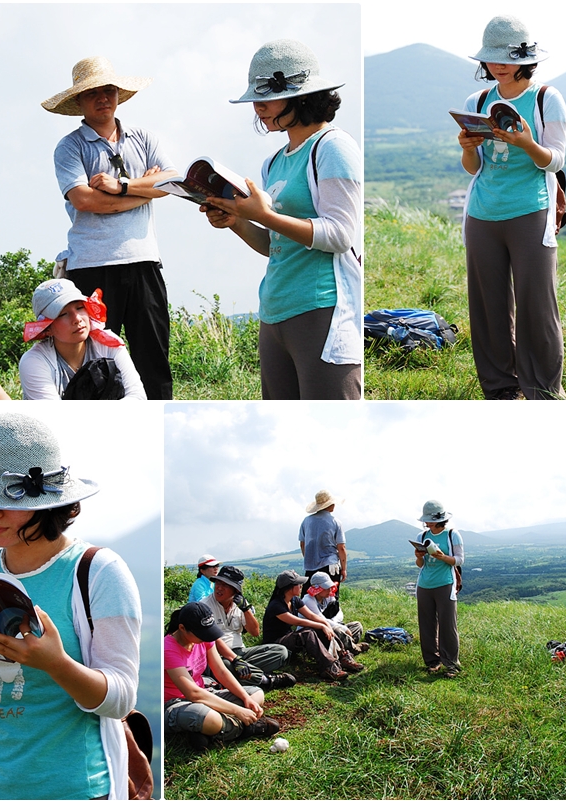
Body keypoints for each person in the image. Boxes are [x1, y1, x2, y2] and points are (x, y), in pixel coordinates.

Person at [0, 412, 142, 799]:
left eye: (6, 501)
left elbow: (120, 697)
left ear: (47, 500)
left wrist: (55, 663)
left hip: (75, 789)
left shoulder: (98, 572)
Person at [201, 39, 362, 400]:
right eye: (254, 101)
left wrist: (263, 214)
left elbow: (340, 235)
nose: (257, 108)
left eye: (265, 98)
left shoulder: (333, 147)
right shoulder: (274, 162)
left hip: (321, 306)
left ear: (302, 96)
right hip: (274, 311)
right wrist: (239, 220)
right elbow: (273, 246)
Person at [42, 56, 178, 400]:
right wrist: (144, 192)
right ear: (79, 102)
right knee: (95, 363)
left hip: (143, 260)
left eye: (109, 90)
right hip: (92, 265)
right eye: (93, 93)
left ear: (118, 94)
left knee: (154, 358)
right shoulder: (70, 147)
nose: (103, 98)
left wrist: (120, 188)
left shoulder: (143, 137)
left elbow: (173, 181)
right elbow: (84, 200)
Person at [459, 16, 566, 400]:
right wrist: (468, 148)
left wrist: (525, 142)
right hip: (483, 215)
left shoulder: (545, 99)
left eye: (507, 56)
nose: (499, 65)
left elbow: (554, 160)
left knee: (537, 306)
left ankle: (542, 391)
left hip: (531, 210)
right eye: (492, 57)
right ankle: (500, 388)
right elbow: (475, 169)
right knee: (488, 306)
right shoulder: (478, 101)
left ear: (525, 58)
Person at [164, 601, 280, 752]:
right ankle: (246, 729)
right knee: (207, 717)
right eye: (202, 634)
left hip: (205, 693)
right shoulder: (168, 649)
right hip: (175, 703)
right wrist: (237, 711)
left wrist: (245, 698)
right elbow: (193, 693)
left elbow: (221, 671)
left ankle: (210, 733)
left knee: (256, 694)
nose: (206, 637)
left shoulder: (203, 638)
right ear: (182, 628)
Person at [19, 278, 146, 400]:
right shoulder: (34, 361)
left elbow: (137, 396)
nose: (77, 319)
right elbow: (55, 415)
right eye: (63, 314)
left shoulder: (109, 344)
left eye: (80, 308)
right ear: (47, 328)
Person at [202, 565, 296, 689]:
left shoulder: (240, 605)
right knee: (223, 665)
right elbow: (212, 640)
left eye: (225, 585)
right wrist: (235, 660)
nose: (219, 588)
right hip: (219, 655)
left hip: (241, 651)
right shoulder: (204, 606)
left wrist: (246, 609)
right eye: (218, 583)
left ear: (236, 590)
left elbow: (255, 632)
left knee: (281, 652)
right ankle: (266, 680)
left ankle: (239, 676)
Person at [261, 570, 354, 680]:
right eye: (298, 584)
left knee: (318, 628)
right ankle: (328, 667)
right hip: (276, 643)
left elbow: (311, 615)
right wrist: (322, 626)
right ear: (288, 587)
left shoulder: (294, 600)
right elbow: (297, 621)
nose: (301, 586)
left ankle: (342, 655)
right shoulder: (276, 605)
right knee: (308, 633)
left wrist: (325, 624)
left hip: (288, 638)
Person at [414, 500, 464, 678]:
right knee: (426, 625)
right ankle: (432, 661)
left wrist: (443, 557)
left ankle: (451, 664)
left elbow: (459, 560)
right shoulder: (422, 536)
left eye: (429, 520)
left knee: (447, 625)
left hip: (445, 583)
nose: (426, 523)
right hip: (424, 585)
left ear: (439, 520)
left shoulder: (452, 535)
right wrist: (419, 556)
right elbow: (420, 565)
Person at [299, 571, 368, 656]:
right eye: (326, 588)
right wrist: (342, 628)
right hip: (316, 632)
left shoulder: (328, 596)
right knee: (337, 630)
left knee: (357, 625)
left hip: (331, 626)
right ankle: (353, 648)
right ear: (317, 588)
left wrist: (335, 623)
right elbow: (321, 620)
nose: (330, 590)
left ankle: (345, 645)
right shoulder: (308, 600)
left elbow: (339, 613)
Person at [299, 490, 347, 606]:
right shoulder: (335, 522)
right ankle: (330, 618)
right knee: (330, 596)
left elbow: (302, 544)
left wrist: (309, 558)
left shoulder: (306, 521)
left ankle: (307, 617)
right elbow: (341, 547)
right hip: (330, 564)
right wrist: (344, 568)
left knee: (309, 594)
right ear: (329, 505)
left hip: (310, 565)